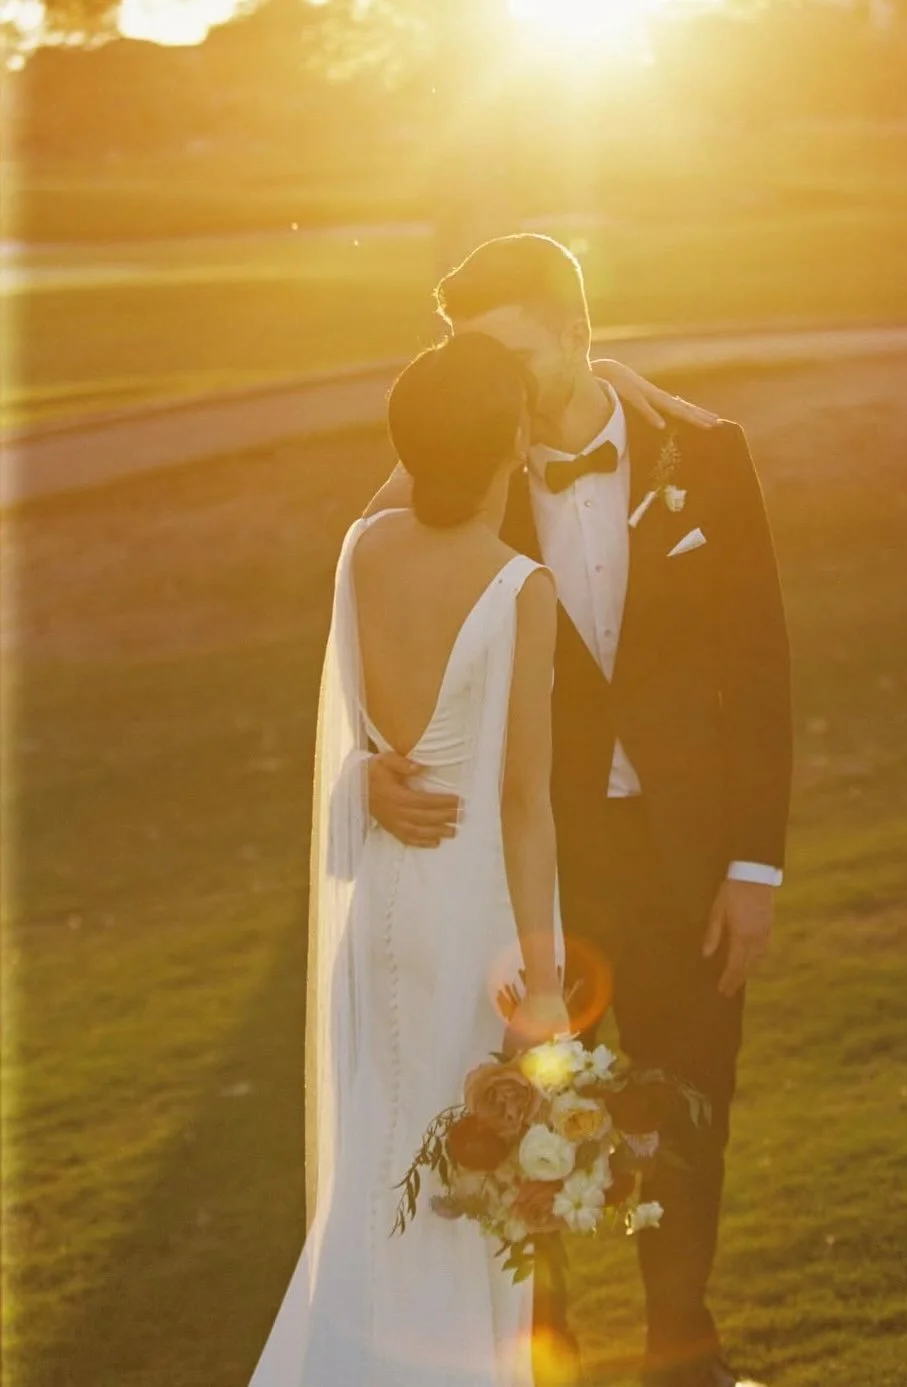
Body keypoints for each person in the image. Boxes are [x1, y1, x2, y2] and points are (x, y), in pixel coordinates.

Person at [366, 234, 793, 1387]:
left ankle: (679, 1362)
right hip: (523, 865)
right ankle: (538, 1369)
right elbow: (367, 616)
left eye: (508, 354)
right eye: (470, 358)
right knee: (515, 1127)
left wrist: (757, 865)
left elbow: (758, 667)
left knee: (690, 1116)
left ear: (577, 334)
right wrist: (369, 759)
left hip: (689, 859)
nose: (490, 385)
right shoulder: (456, 468)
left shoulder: (705, 453)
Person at [247, 331, 570, 1387]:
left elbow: (349, 737)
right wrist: (548, 970)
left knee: (385, 1164)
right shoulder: (521, 587)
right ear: (509, 439)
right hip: (470, 906)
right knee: (460, 1188)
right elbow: (524, 801)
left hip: (383, 900)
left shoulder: (365, 550)